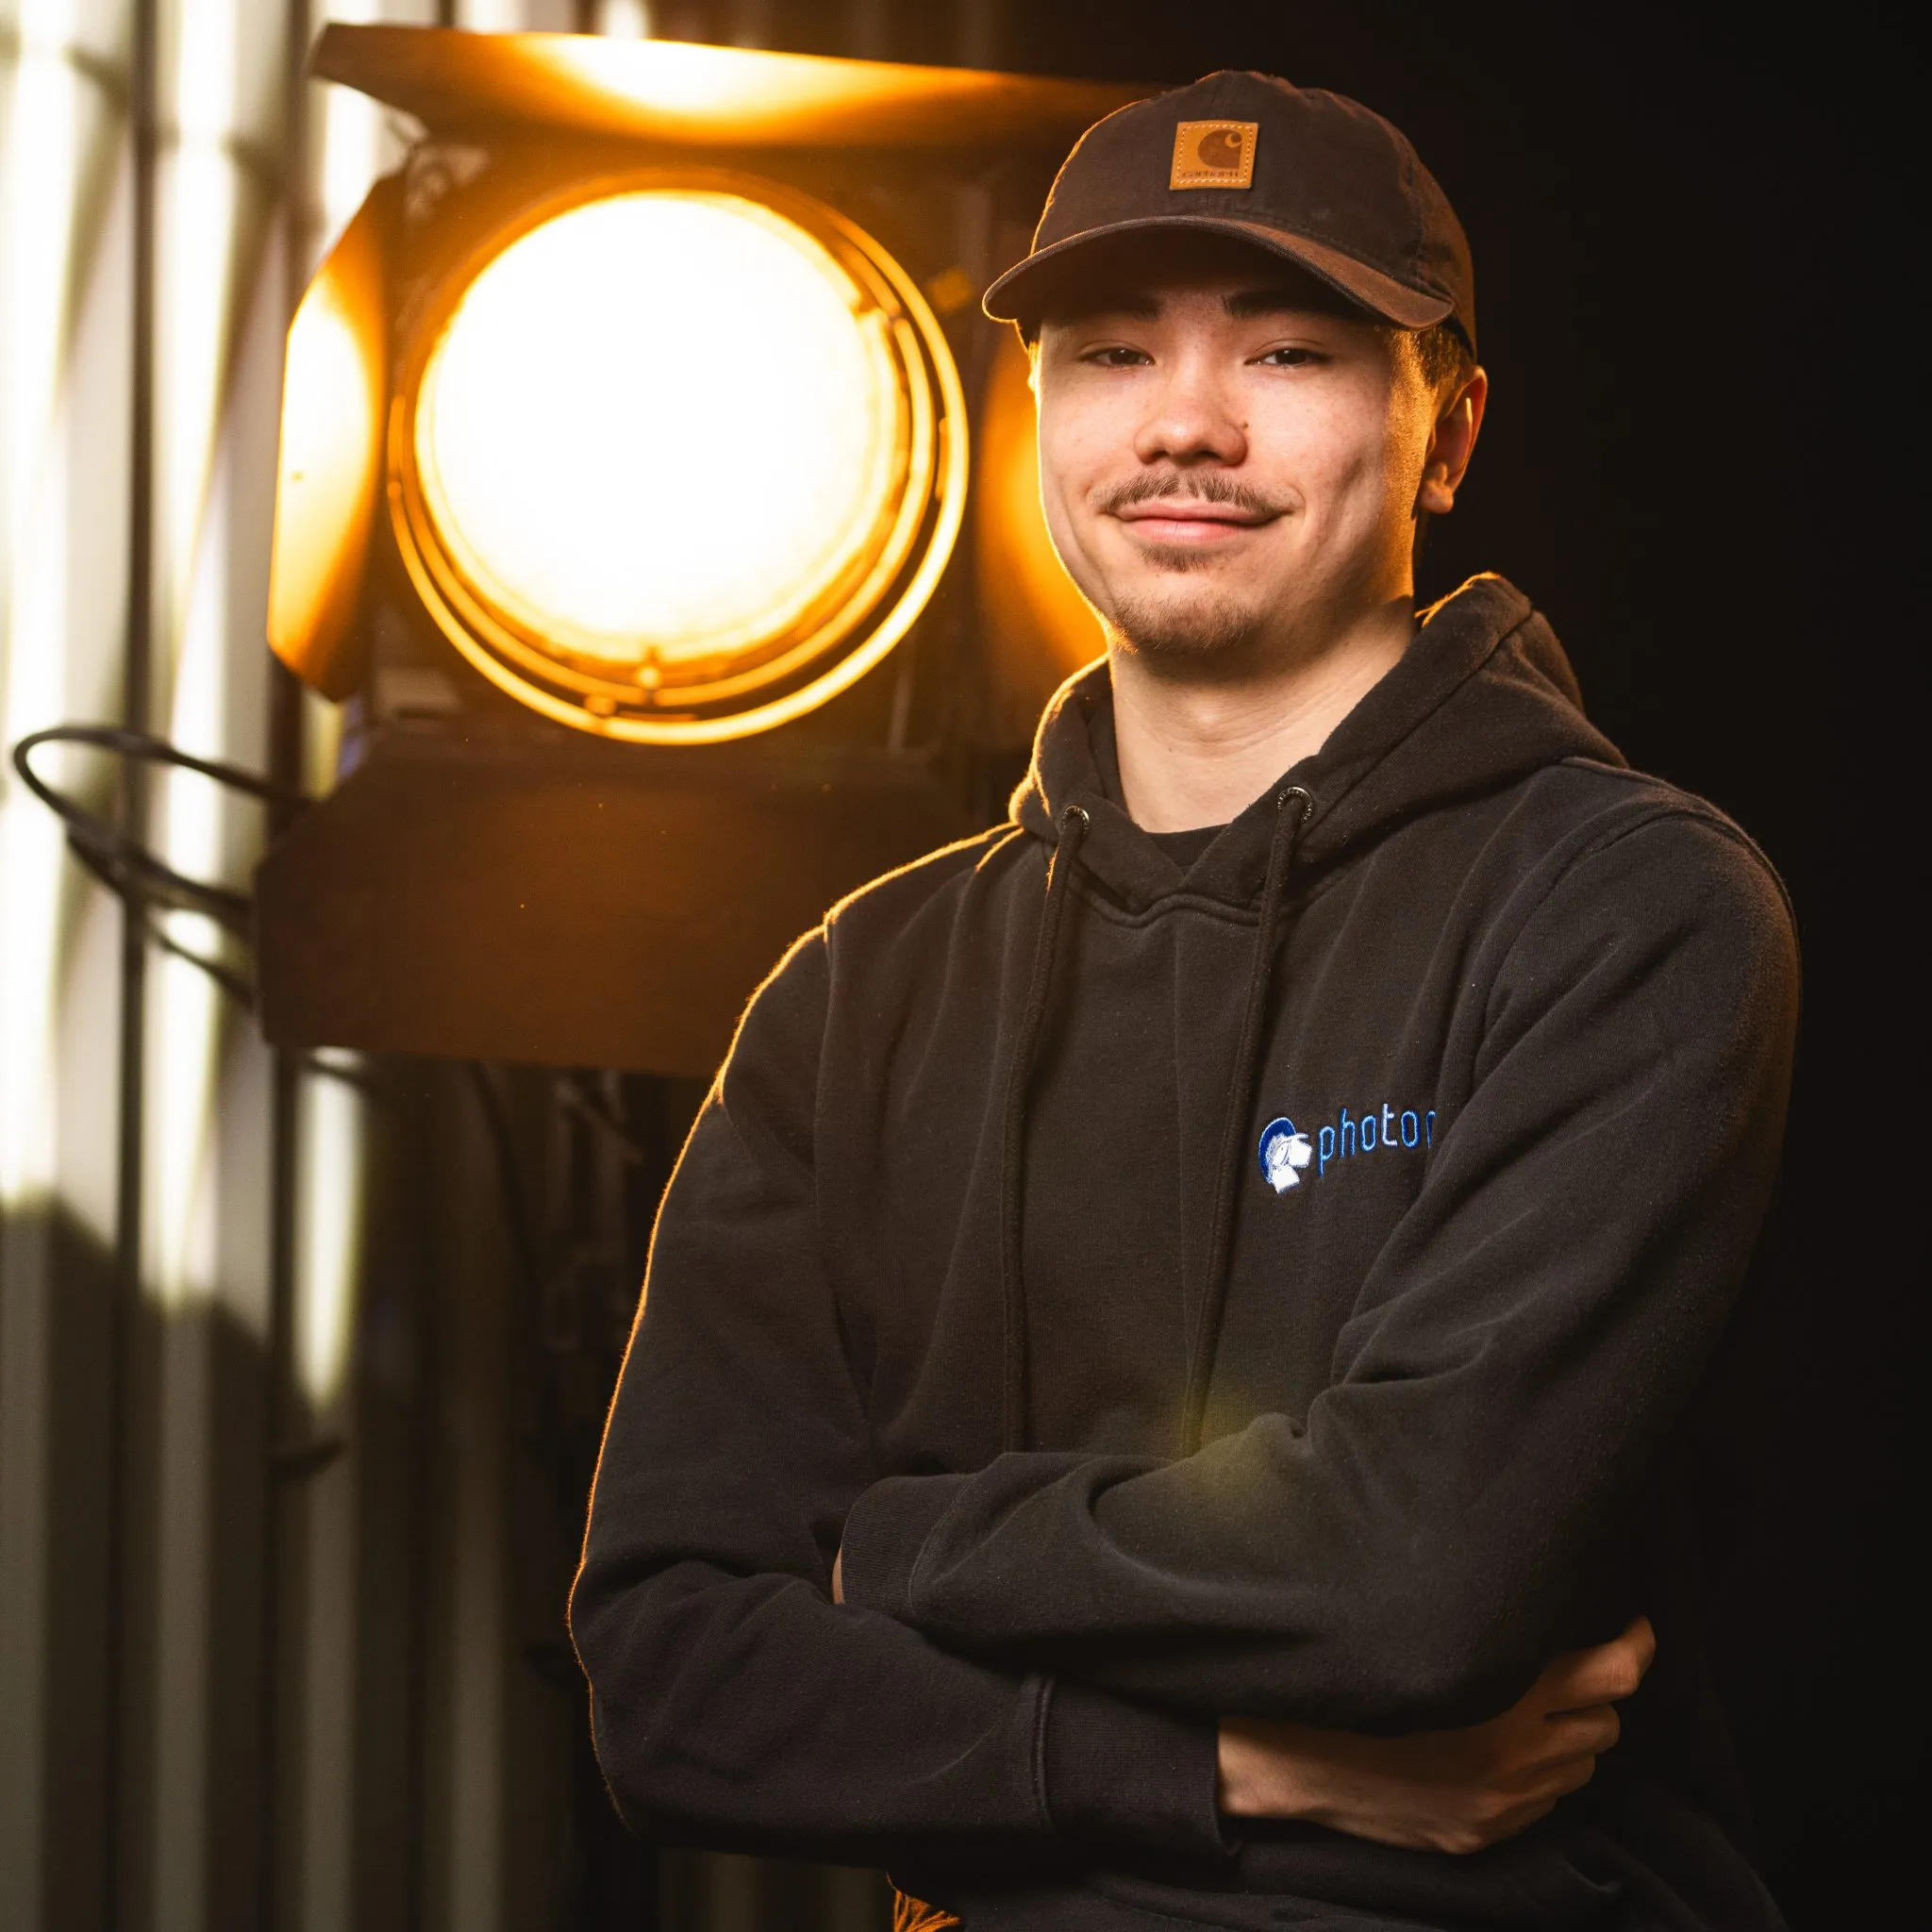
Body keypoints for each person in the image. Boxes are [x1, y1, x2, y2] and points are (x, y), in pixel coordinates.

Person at [572, 70, 1798, 1931]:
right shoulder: (858, 992)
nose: (1188, 426)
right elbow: (669, 1683)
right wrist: (1235, 1766)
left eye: (1293, 353)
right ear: (1040, 412)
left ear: (1447, 429)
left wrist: (885, 1545)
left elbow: (1414, 1579)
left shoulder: (1623, 910)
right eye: (1114, 352)